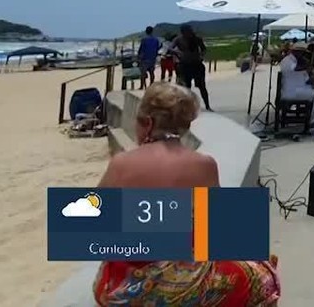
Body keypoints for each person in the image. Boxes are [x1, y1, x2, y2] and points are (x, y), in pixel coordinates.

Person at [92, 83, 280, 305]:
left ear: (149, 123)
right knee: (263, 270)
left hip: (126, 287)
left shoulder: (121, 163)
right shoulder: (204, 164)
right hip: (188, 285)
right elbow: (223, 231)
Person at [172, 25, 211, 111]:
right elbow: (170, 48)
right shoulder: (178, 39)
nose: (189, 33)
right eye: (187, 32)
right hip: (185, 65)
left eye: (190, 31)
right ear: (183, 32)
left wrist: (201, 56)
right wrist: (177, 52)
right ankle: (188, 107)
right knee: (187, 87)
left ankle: (207, 105)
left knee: (202, 86)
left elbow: (204, 49)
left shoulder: (197, 39)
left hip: (197, 64)